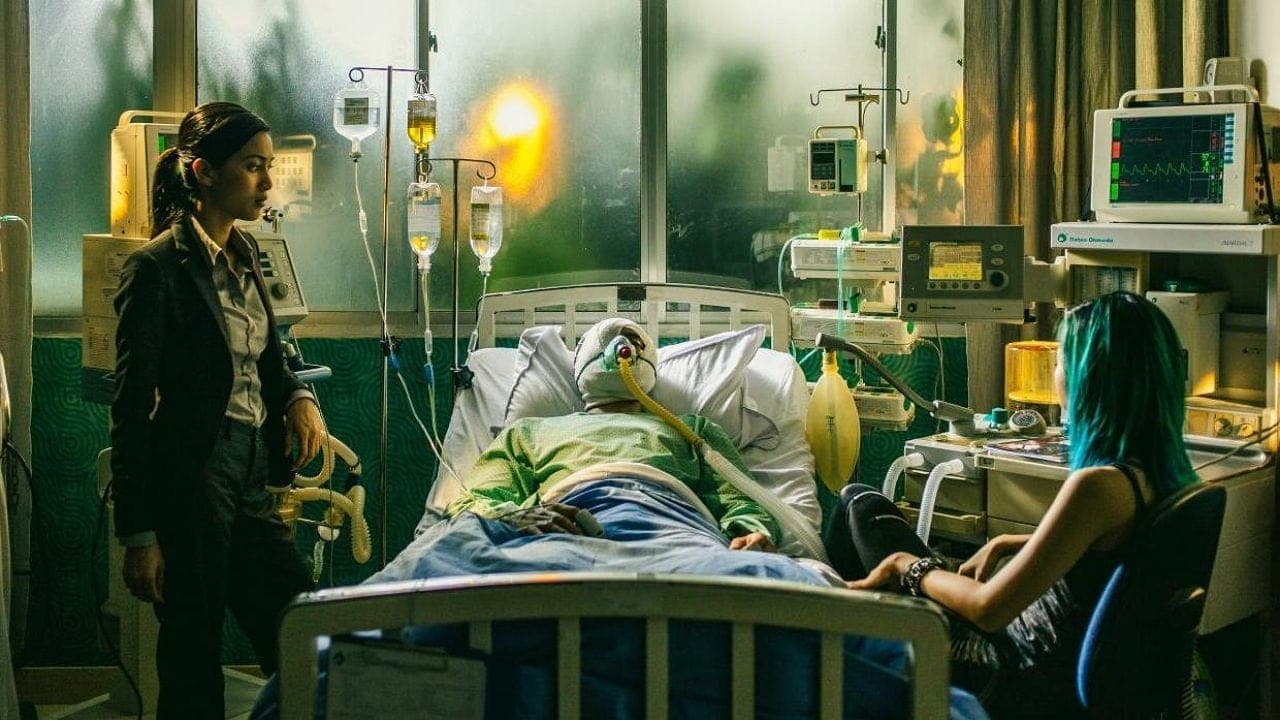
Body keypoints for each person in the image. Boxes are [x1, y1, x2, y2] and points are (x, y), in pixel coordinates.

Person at [828, 291, 1197, 717]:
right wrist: (1010, 541)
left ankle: (826, 645)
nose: (1057, 373)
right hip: (1047, 655)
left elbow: (988, 609)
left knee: (859, 511)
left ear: (1089, 378)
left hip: (1010, 669)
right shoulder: (1164, 476)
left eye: (1061, 361)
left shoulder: (1096, 487)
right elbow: (1115, 549)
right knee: (862, 505)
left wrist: (906, 566)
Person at [110, 101, 326, 718]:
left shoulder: (246, 253)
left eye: (269, 166)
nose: (268, 182)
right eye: (253, 166)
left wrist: (298, 396)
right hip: (193, 478)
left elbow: (267, 355)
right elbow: (130, 409)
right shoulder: (156, 270)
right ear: (204, 172)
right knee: (192, 649)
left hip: (251, 469)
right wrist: (139, 535)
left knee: (298, 624)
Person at [445, 317, 779, 551]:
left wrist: (753, 533)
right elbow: (471, 503)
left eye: (635, 341)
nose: (625, 345)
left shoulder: (692, 429)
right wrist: (515, 516)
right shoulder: (527, 432)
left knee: (768, 578)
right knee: (442, 557)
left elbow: (742, 499)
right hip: (564, 526)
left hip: (673, 526)